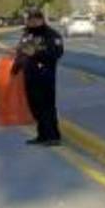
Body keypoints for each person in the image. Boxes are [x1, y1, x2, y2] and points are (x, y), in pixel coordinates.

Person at [12, 8, 64, 146]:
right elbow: (21, 53)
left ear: (42, 20)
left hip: (45, 76)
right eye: (30, 19)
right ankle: (42, 135)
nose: (33, 21)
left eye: (36, 19)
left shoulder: (52, 35)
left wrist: (35, 54)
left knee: (46, 107)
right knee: (35, 108)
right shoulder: (27, 35)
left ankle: (53, 136)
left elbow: (56, 54)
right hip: (29, 76)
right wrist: (15, 69)